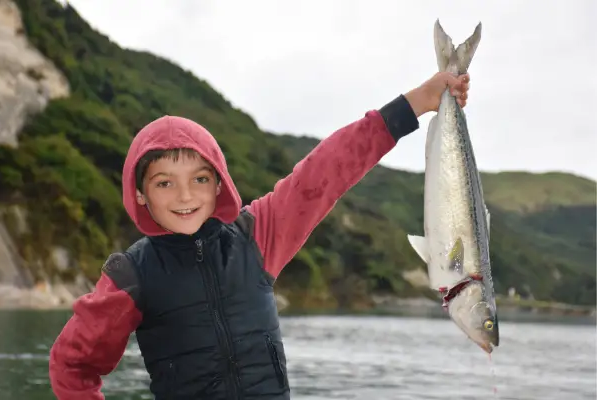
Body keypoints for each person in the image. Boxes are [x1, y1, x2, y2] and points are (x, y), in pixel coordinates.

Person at [48, 71, 470, 400]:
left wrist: (415, 103)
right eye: (164, 183)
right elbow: (72, 364)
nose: (184, 196)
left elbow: (327, 171)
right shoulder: (131, 274)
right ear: (140, 193)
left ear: (219, 184)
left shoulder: (257, 235)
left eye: (199, 178)